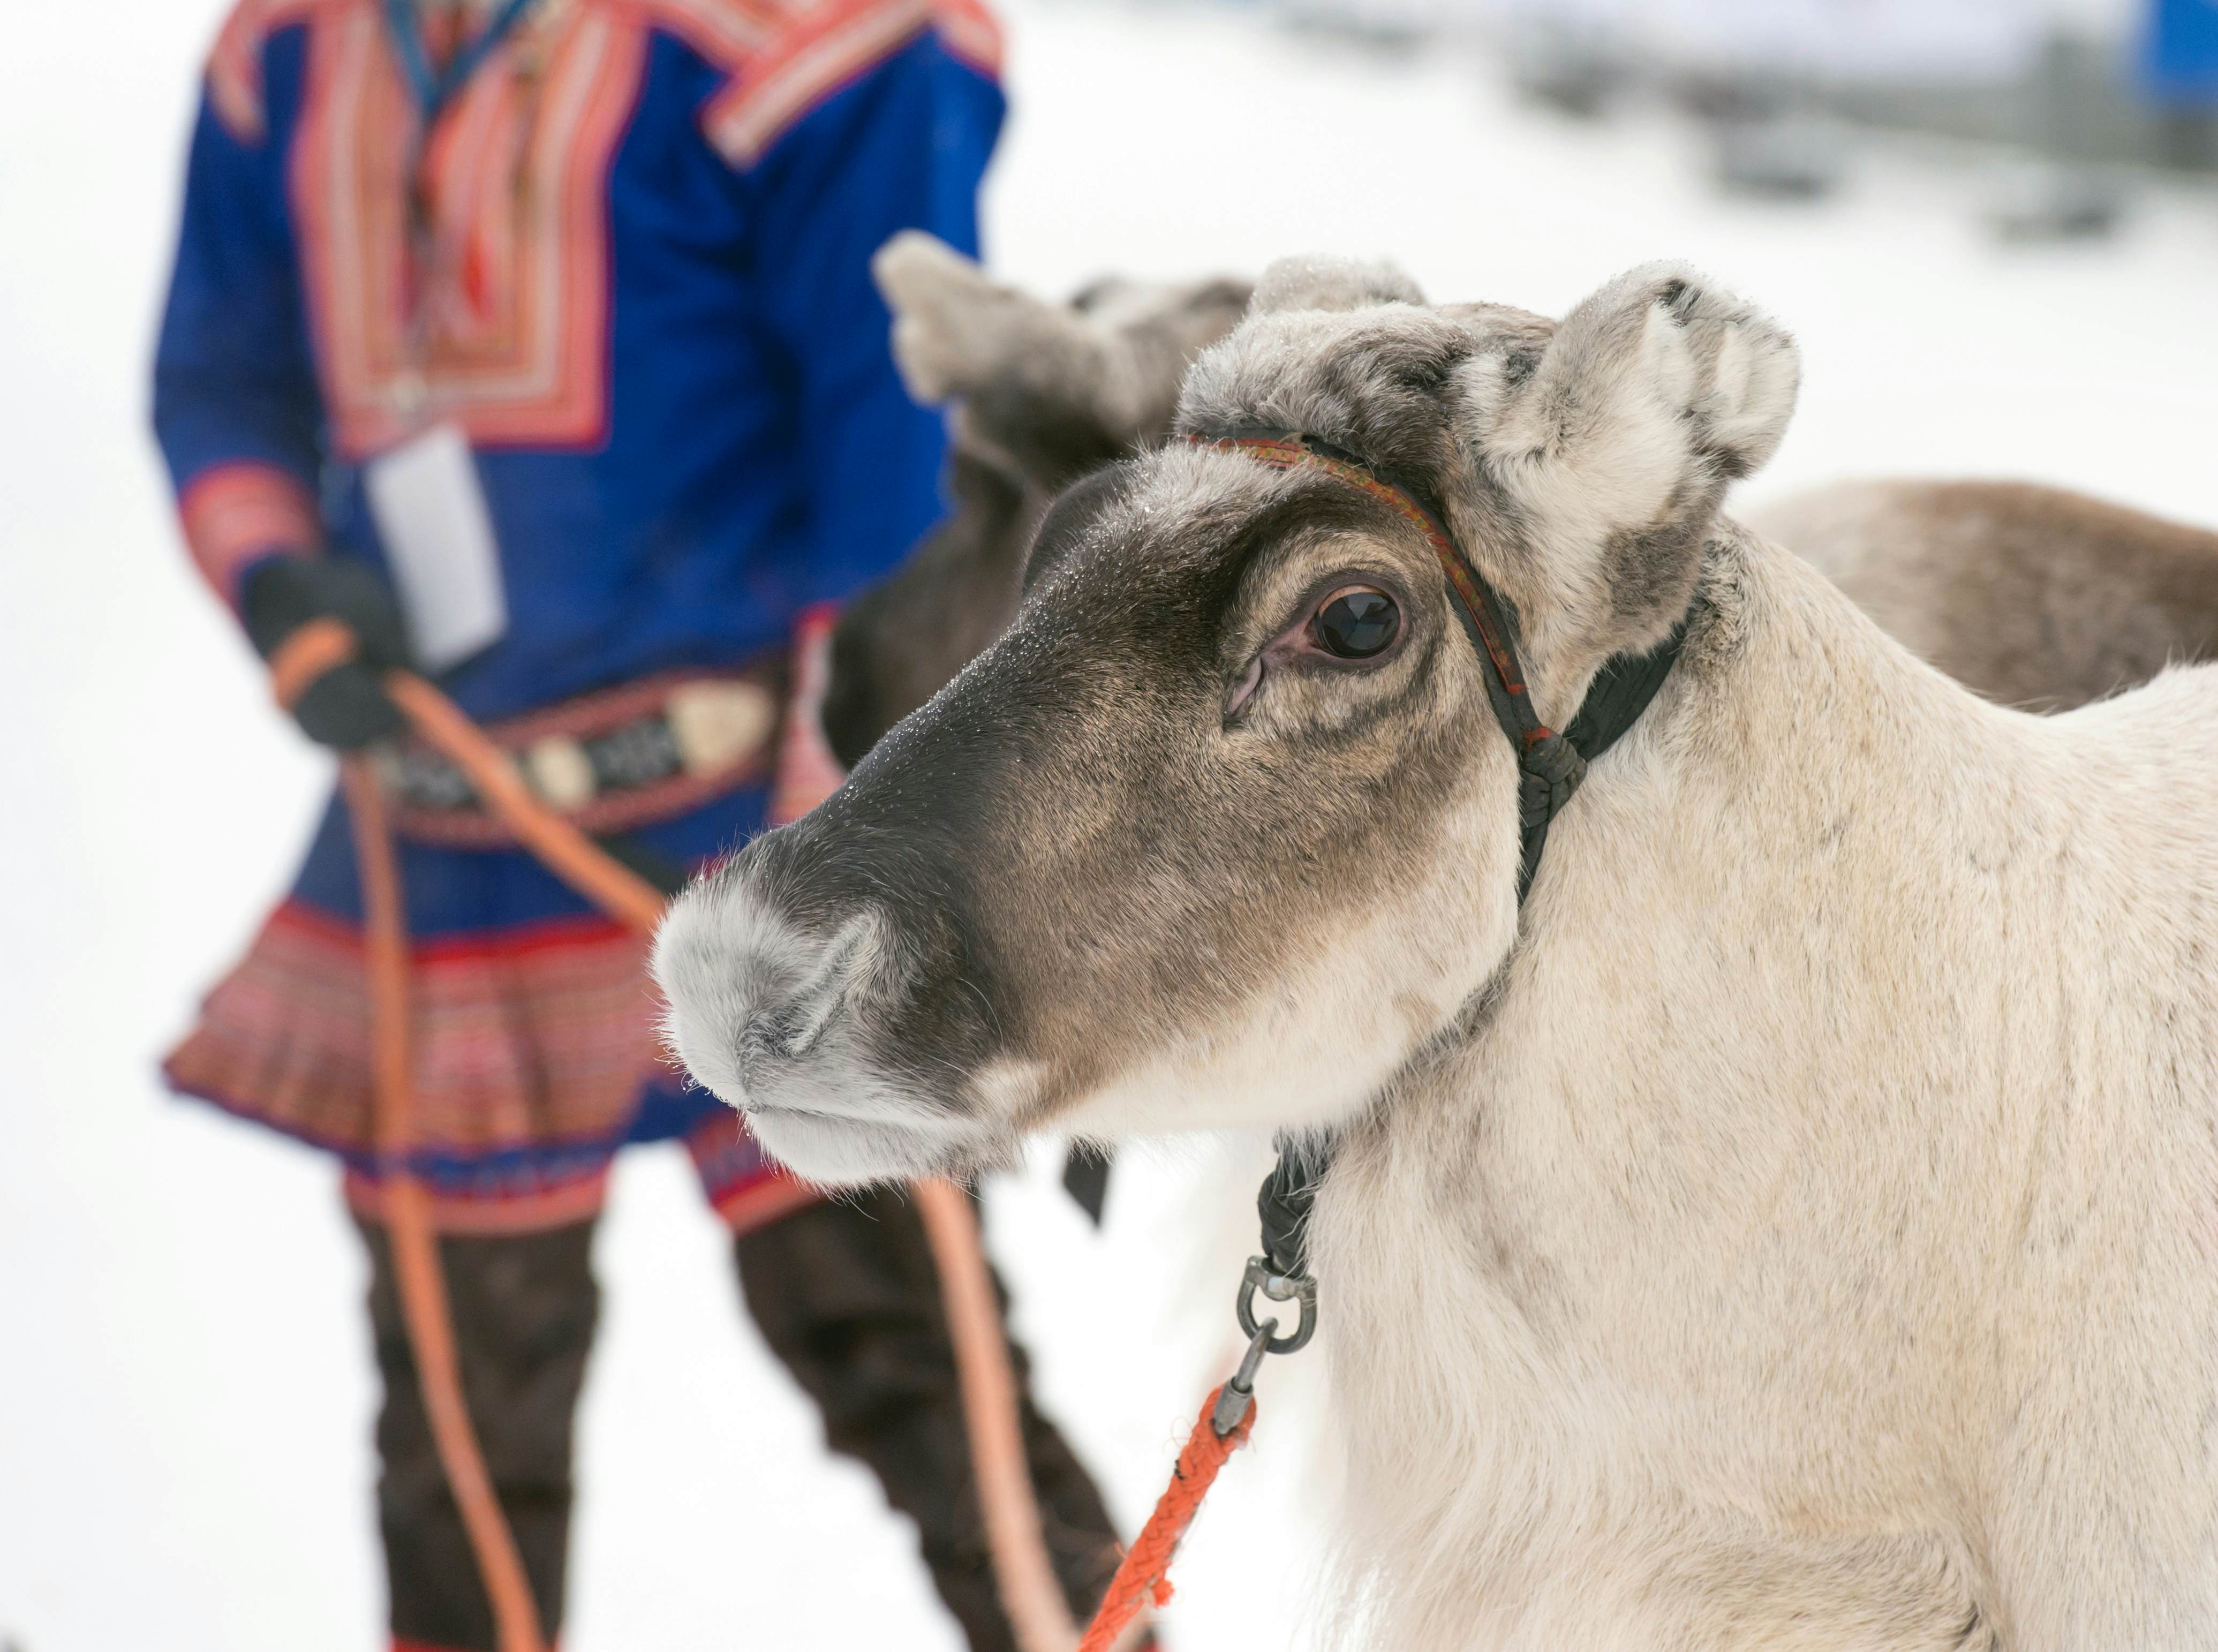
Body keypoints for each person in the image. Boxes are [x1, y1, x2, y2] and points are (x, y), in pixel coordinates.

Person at [150, 2, 1127, 1648]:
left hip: (764, 820)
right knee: (461, 1438)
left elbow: (891, 460)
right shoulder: (287, 52)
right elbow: (218, 375)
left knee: (920, 1369)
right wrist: (283, 592)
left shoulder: (801, 40)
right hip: (436, 842)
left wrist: (901, 830)